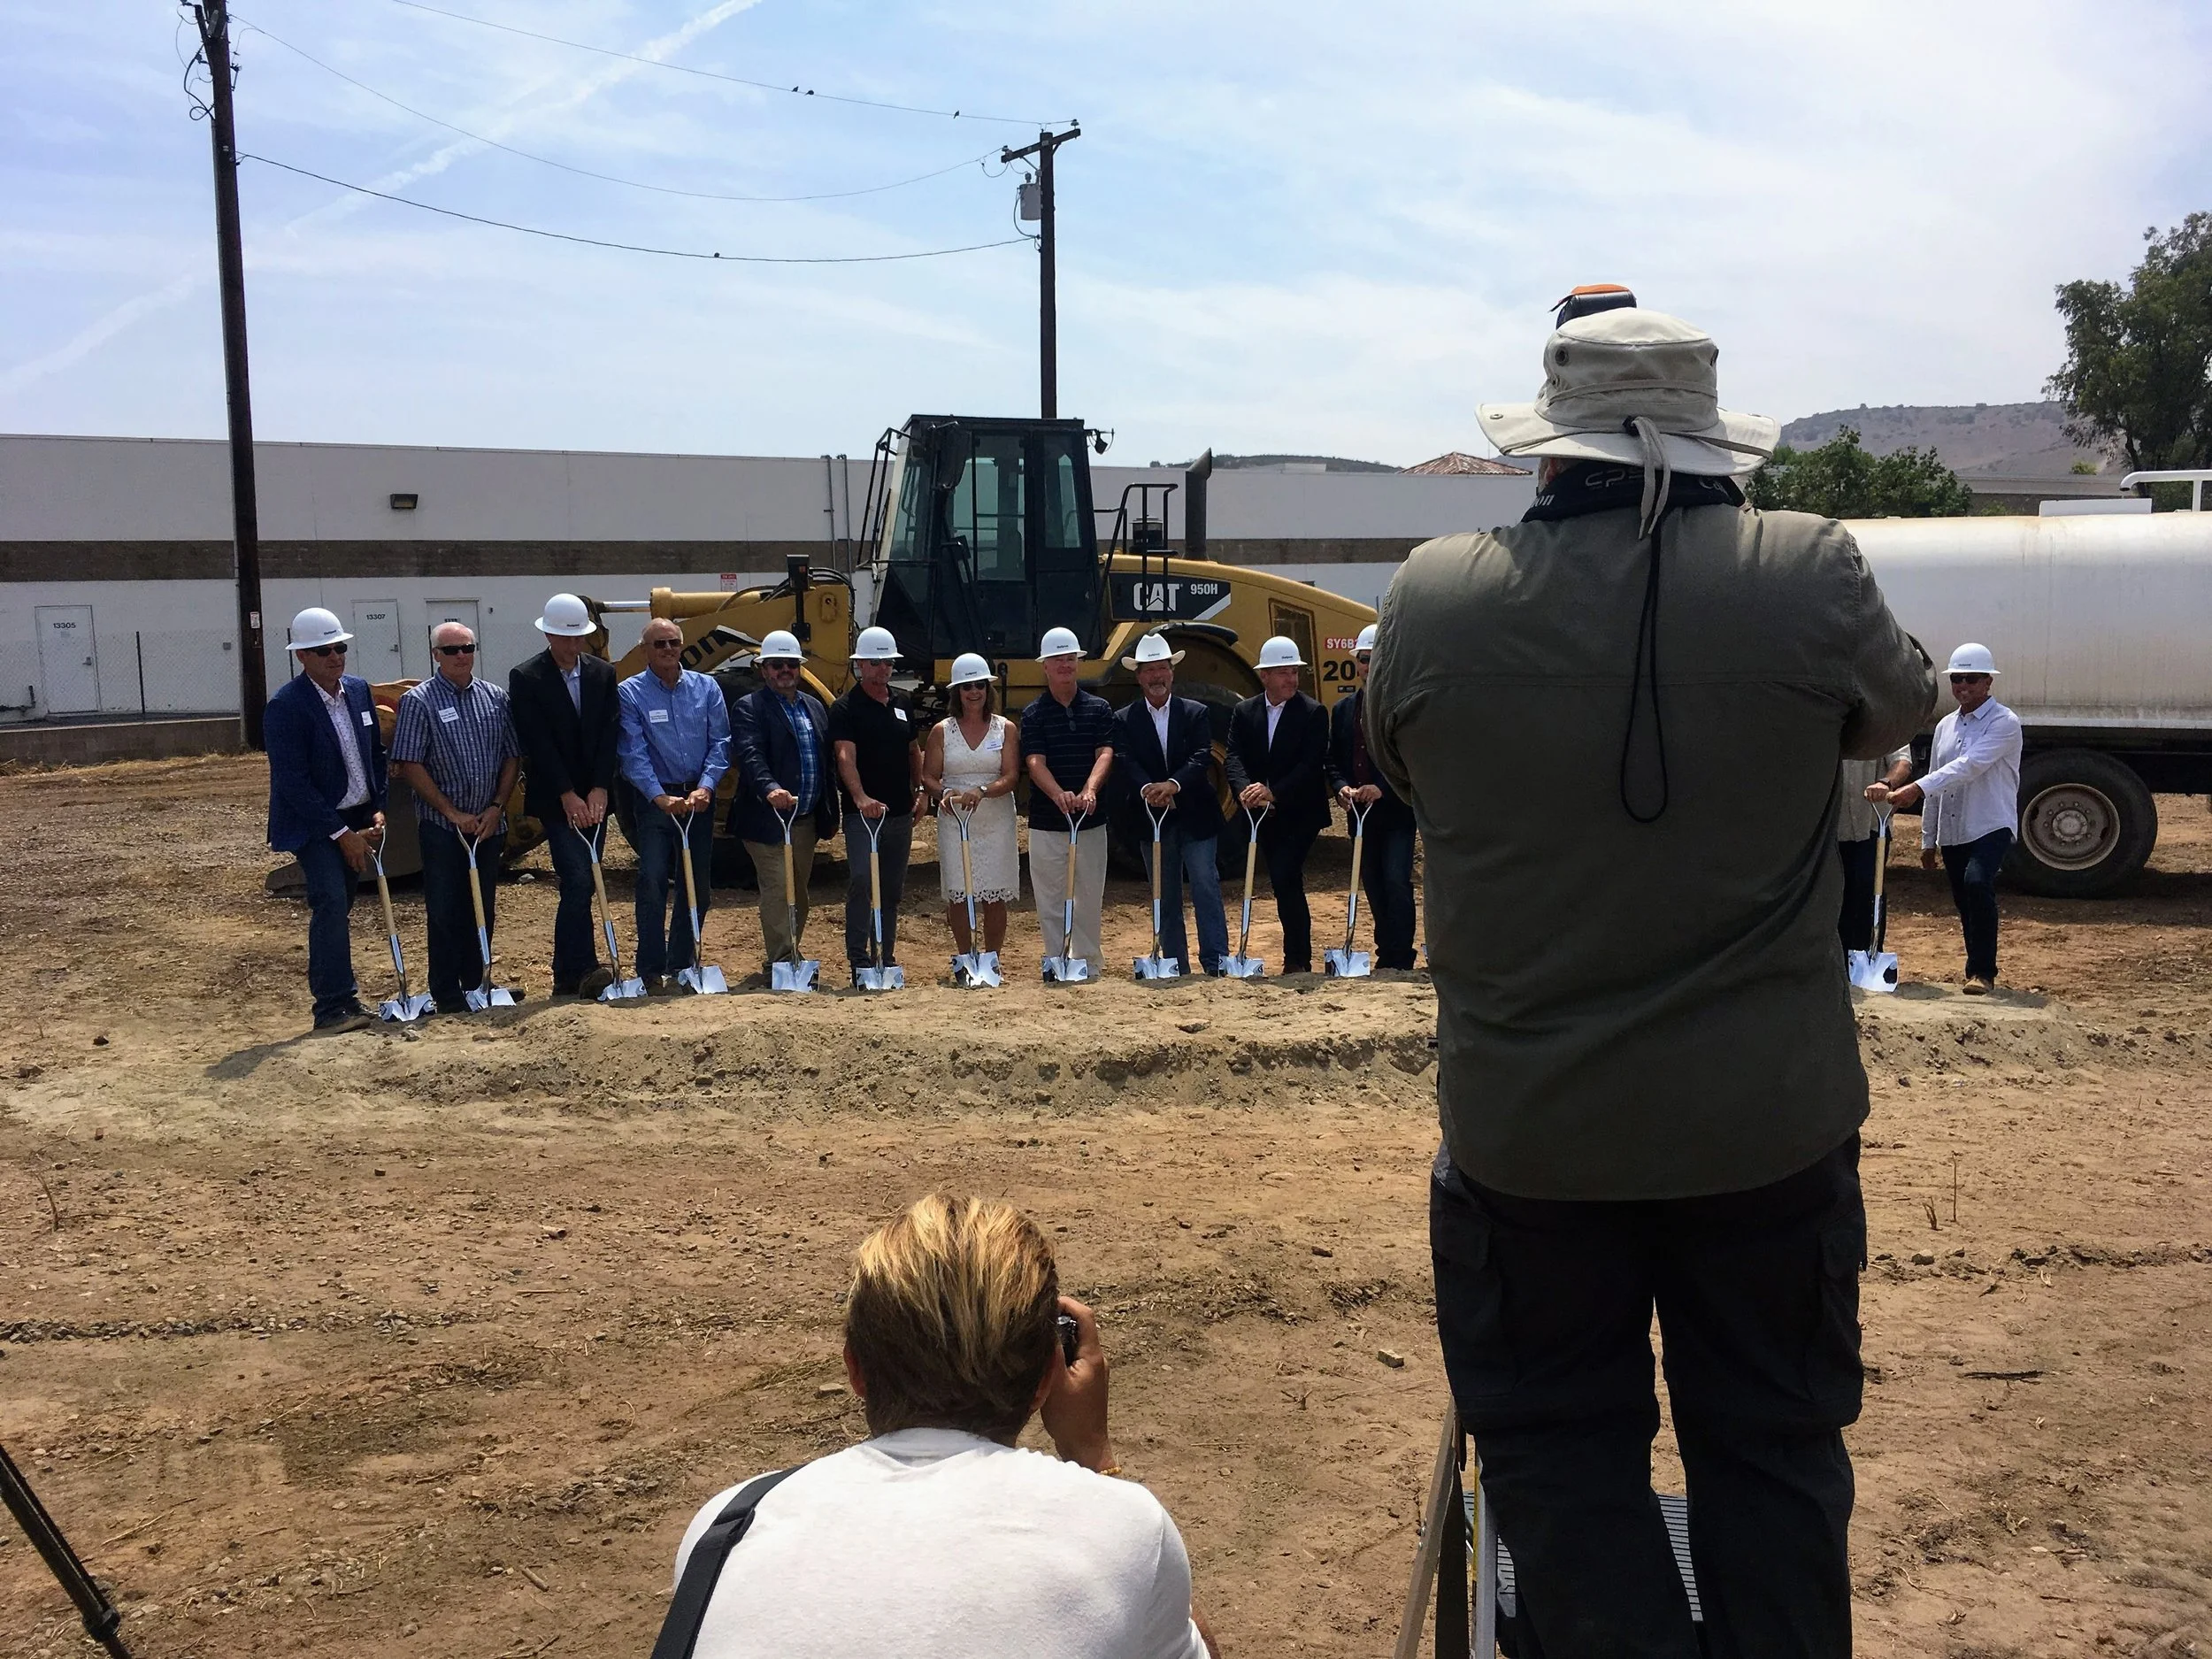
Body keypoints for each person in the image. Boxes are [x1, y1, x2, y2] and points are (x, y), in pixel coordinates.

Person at [1366, 305, 1933, 1658]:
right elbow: (1897, 707)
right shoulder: (1807, 569)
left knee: (1560, 1462)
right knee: (1777, 1456)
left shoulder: (1438, 591)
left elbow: (1396, 759)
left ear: (1547, 455)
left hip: (1533, 1136)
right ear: (1704, 442)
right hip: (1766, 1129)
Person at [663, 1194, 1217, 1659]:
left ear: (855, 1368)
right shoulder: (1124, 1525)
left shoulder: (727, 1524)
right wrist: (1091, 1451)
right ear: (1048, 1375)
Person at [1870, 643, 2023, 994]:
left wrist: (1916, 789)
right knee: (1963, 898)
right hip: (1955, 830)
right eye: (1957, 679)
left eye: (1971, 678)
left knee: (1976, 883)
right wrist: (1928, 839)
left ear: (1988, 682)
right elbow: (1941, 775)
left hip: (1990, 823)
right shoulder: (1946, 726)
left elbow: (1968, 767)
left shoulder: (2004, 723)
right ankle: (1975, 970)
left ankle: (1983, 971)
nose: (1963, 686)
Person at [265, 606, 388, 1033]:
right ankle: (332, 1008)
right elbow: (292, 784)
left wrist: (377, 805)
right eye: (323, 651)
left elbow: (374, 754)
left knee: (342, 903)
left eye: (339, 648)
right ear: (302, 656)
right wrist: (341, 835)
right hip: (315, 823)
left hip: (356, 815)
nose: (334, 657)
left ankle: (340, 998)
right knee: (331, 901)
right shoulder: (286, 707)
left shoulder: (357, 691)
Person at [391, 621, 521, 1013]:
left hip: (487, 826)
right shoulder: (419, 701)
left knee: (483, 906)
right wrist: (452, 813)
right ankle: (446, 990)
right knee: (446, 908)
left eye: (467, 647)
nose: (461, 655)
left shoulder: (495, 697)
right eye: (451, 650)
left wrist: (496, 807)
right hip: (443, 828)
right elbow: (410, 762)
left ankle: (478, 981)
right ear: (436, 656)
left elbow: (511, 755)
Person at [509, 593, 620, 997]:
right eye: (565, 638)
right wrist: (567, 795)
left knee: (587, 877)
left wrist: (600, 788)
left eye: (579, 639)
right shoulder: (527, 678)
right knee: (577, 878)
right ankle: (579, 969)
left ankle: (570, 974)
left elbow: (609, 733)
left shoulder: (602, 674)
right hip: (559, 799)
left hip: (595, 796)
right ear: (549, 636)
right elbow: (537, 742)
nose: (573, 646)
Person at [616, 617, 730, 993]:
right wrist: (657, 795)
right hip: (655, 803)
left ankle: (683, 962)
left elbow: (721, 743)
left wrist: (707, 786)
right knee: (651, 881)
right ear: (646, 650)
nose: (668, 649)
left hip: (698, 800)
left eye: (673, 642)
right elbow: (632, 752)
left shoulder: (707, 687)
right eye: (659, 643)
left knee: (697, 885)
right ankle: (651, 967)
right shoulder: (630, 693)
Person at [1110, 633, 1228, 975]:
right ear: (1139, 676)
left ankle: (1216, 959)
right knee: (1165, 894)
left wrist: (1172, 786)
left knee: (1205, 883)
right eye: (1149, 670)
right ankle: (1175, 962)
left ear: (1172, 672)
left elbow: (1201, 756)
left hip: (1197, 816)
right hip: (1151, 817)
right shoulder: (1124, 718)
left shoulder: (1196, 713)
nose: (1156, 676)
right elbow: (1125, 759)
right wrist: (1150, 788)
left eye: (1162, 668)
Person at [730, 630, 840, 974]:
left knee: (799, 892)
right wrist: (770, 788)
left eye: (791, 664)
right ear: (763, 670)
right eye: (776, 665)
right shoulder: (750, 708)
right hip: (767, 819)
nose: (784, 670)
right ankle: (782, 961)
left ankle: (789, 952)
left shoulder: (815, 707)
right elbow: (750, 755)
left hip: (804, 820)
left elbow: (826, 760)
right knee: (779, 889)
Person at [1224, 638, 1329, 974]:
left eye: (1294, 672)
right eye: (1283, 672)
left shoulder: (1313, 712)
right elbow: (1234, 757)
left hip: (1299, 813)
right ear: (1265, 675)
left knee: (1286, 877)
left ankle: (1297, 959)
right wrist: (1243, 790)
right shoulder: (1244, 711)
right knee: (1278, 878)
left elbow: (1311, 765)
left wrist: (1273, 792)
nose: (1291, 679)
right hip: (1259, 814)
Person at [829, 626, 926, 986]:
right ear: (861, 666)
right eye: (876, 662)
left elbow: (913, 750)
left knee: (891, 889)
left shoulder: (902, 703)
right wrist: (860, 798)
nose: (883, 668)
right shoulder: (845, 708)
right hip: (863, 817)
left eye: (888, 662)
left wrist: (920, 793)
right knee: (861, 882)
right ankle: (859, 960)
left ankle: (885, 955)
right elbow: (844, 757)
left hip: (900, 814)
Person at [1020, 626, 1115, 975]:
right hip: (1047, 821)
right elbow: (1034, 761)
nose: (1065, 665)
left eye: (1070, 658)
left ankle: (1088, 962)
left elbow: (1105, 752)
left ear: (1078, 662)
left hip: (1091, 820)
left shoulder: (1099, 708)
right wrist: (1058, 793)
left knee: (1089, 896)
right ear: (1045, 666)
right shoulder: (1033, 714)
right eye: (1057, 659)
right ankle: (1058, 960)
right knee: (1051, 898)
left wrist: (1090, 788)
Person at [1325, 622, 1418, 971]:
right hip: (1360, 815)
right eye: (1364, 659)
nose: (1369, 666)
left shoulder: (1401, 706)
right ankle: (1386, 953)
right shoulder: (1343, 710)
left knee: (1396, 881)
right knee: (1374, 885)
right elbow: (1333, 760)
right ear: (1357, 663)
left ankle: (1402, 956)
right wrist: (1340, 788)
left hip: (1396, 812)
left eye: (1376, 658)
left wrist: (1382, 785)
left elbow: (1409, 757)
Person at [922, 653, 1022, 962]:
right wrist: (946, 793)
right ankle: (966, 956)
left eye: (980, 685)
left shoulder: (1005, 729)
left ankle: (992, 958)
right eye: (967, 687)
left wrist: (982, 790)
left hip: (995, 818)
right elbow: (928, 776)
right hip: (956, 818)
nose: (974, 692)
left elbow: (1011, 775)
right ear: (957, 692)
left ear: (987, 689)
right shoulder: (942, 731)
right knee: (959, 891)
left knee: (994, 894)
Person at [1836, 747, 1912, 954]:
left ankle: (1866, 954)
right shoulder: (1830, 720)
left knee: (1868, 887)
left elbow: (1903, 763)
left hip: (1871, 826)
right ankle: (1839, 960)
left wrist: (1885, 783)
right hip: (1833, 829)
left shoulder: (1883, 726)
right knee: (1835, 894)